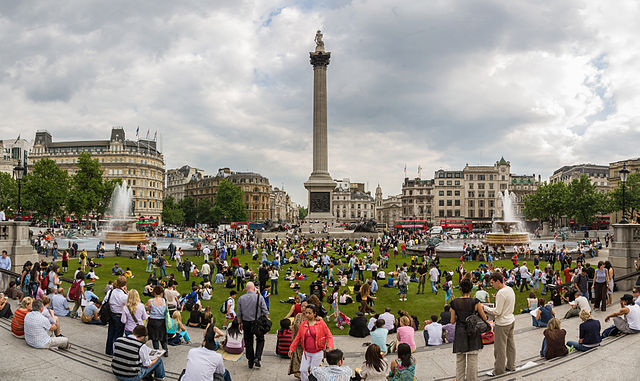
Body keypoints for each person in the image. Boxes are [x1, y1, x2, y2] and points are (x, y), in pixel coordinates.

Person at [451, 278, 487, 381]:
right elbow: (484, 317)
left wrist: (460, 315)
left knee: (460, 359)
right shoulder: (475, 302)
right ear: (471, 290)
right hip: (473, 331)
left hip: (460, 331)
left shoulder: (454, 303)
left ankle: (460, 379)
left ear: (461, 289)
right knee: (472, 358)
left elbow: (452, 320)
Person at [289, 304, 334, 381]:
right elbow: (298, 337)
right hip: (306, 353)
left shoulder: (321, 323)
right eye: (306, 313)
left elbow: (328, 335)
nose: (307, 315)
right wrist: (291, 349)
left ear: (314, 313)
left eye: (309, 313)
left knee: (314, 371)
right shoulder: (303, 324)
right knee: (303, 370)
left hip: (317, 352)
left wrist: (330, 346)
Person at [483, 272, 516, 377]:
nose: (492, 285)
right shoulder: (510, 289)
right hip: (510, 320)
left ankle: (499, 371)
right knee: (510, 345)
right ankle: (511, 366)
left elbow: (497, 312)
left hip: (502, 323)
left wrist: (484, 307)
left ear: (498, 281)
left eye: (492, 283)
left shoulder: (501, 293)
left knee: (500, 348)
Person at [237, 282, 269, 369]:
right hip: (257, 323)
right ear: (254, 288)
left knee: (248, 342)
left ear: (246, 289)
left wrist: (240, 323)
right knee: (260, 339)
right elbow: (265, 310)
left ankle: (250, 361)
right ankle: (257, 357)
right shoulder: (259, 297)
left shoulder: (241, 298)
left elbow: (239, 313)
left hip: (246, 322)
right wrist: (266, 321)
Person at [106, 276, 129, 356]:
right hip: (119, 315)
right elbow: (129, 304)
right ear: (125, 284)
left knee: (111, 332)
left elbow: (105, 301)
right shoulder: (123, 296)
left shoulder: (111, 292)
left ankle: (108, 350)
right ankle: (113, 351)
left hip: (111, 314)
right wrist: (126, 293)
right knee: (117, 334)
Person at [146, 285, 169, 356]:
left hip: (153, 320)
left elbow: (149, 310)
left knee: (154, 337)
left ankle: (156, 351)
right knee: (162, 337)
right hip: (162, 320)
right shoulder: (164, 300)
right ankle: (166, 350)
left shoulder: (150, 301)